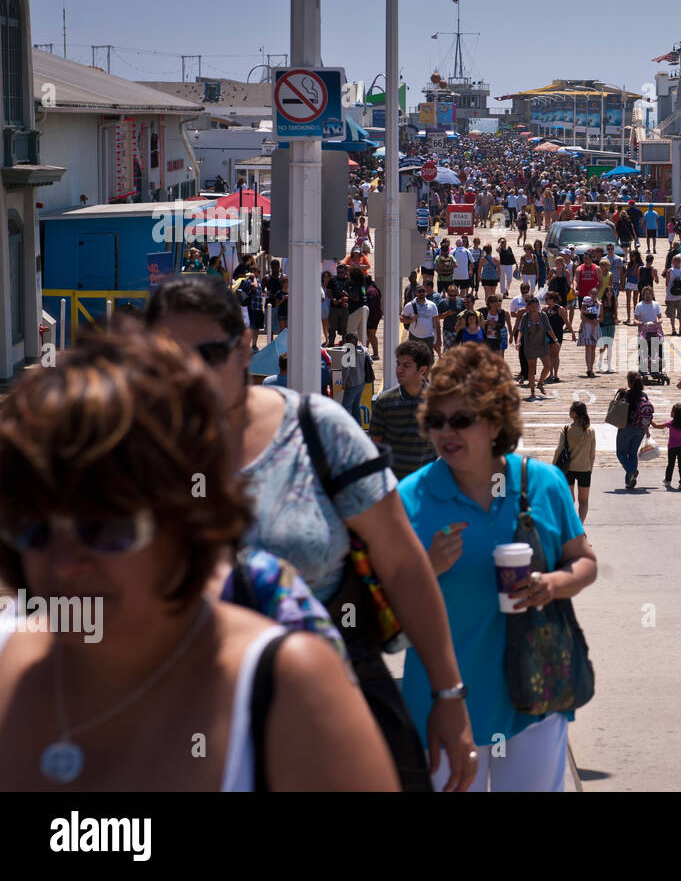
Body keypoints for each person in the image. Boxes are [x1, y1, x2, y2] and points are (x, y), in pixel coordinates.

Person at [0, 328, 398, 791]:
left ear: (185, 520)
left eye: (105, 527)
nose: (64, 563)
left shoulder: (290, 689)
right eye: (34, 526)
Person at [146, 275, 477, 792]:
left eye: (209, 352)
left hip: (336, 720)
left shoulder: (317, 431)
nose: (189, 372)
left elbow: (404, 564)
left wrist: (448, 697)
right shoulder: (133, 456)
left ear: (243, 349)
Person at [399, 344, 597, 791]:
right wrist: (426, 567)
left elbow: (584, 563)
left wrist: (551, 584)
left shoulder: (542, 484)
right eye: (437, 420)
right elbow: (384, 613)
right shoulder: (410, 498)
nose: (446, 432)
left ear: (494, 421)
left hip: (533, 699)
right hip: (440, 706)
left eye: (461, 419)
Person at [370, 340, 438, 480]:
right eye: (398, 364)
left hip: (426, 484)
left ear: (422, 370)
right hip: (395, 485)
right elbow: (375, 446)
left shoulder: (437, 401)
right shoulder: (384, 402)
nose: (399, 369)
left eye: (406, 365)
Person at [554, 401, 596, 523]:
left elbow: (559, 450)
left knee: (569, 500)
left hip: (568, 469)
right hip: (584, 468)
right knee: (583, 502)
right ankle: (580, 527)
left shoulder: (566, 430)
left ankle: (570, 526)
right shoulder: (590, 430)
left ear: (574, 413)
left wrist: (554, 466)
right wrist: (590, 468)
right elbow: (592, 453)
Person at [615, 371, 654, 489]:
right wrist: (647, 431)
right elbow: (645, 415)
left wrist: (620, 394)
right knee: (632, 454)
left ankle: (632, 471)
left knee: (621, 453)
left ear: (630, 382)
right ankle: (629, 481)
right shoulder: (644, 395)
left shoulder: (626, 394)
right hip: (640, 429)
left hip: (627, 427)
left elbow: (616, 407)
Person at [518, 296, 554, 400]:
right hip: (530, 346)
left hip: (542, 344)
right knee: (532, 369)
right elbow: (521, 329)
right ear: (528, 307)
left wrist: (555, 340)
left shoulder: (543, 315)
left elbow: (549, 328)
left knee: (547, 366)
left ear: (538, 305)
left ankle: (540, 383)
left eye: (536, 306)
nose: (534, 308)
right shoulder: (525, 316)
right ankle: (532, 390)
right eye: (532, 306)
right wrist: (518, 340)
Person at [653, 403, 681, 490]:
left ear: (674, 414)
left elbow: (656, 426)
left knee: (670, 464)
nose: (670, 412)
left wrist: (650, 420)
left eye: (672, 411)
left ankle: (668, 480)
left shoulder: (670, 423)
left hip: (672, 447)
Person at [401, 285, 439, 356]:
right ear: (416, 293)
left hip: (428, 337)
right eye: (419, 291)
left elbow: (437, 323)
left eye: (423, 291)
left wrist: (439, 339)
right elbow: (402, 319)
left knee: (429, 359)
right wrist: (411, 319)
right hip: (414, 337)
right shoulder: (409, 305)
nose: (421, 293)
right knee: (414, 358)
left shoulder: (432, 305)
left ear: (425, 293)